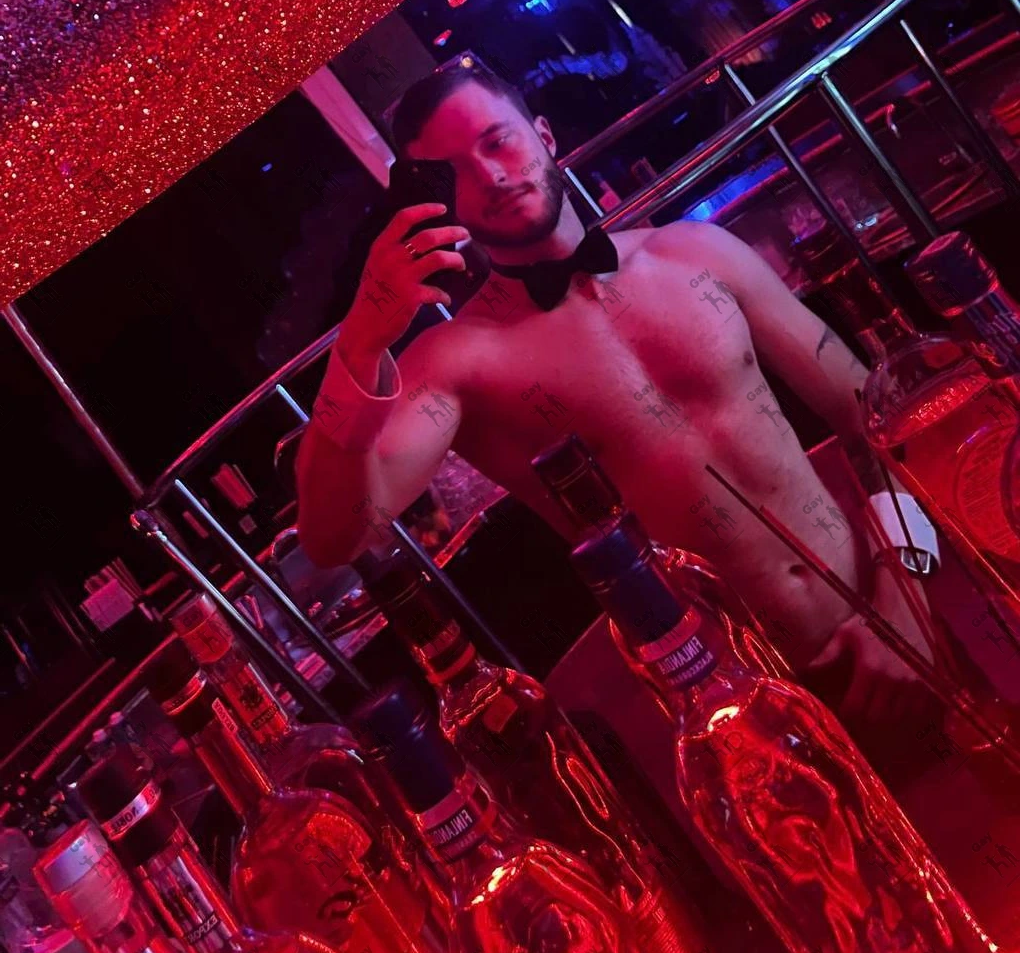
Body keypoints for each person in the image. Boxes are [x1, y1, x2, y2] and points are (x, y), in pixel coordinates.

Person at [296, 54, 938, 740]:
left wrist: (906, 592)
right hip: (742, 718)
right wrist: (358, 346)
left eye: (497, 141)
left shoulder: (697, 253)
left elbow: (879, 414)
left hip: (898, 622)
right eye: (452, 171)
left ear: (544, 135)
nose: (490, 176)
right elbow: (336, 536)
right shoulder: (457, 360)